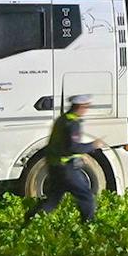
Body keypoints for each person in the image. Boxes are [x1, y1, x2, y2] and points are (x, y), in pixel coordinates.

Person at [23, 94, 105, 224]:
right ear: (80, 107)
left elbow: (62, 145)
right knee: (87, 197)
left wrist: (80, 156)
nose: (87, 109)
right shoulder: (73, 123)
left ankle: (30, 219)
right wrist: (93, 145)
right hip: (67, 168)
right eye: (86, 106)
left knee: (52, 200)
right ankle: (89, 225)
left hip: (54, 166)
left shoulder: (63, 119)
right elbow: (73, 147)